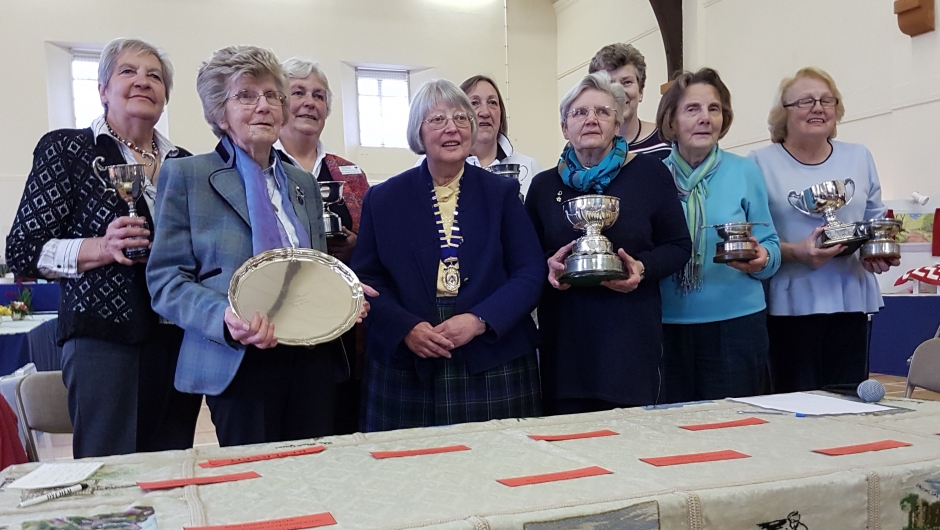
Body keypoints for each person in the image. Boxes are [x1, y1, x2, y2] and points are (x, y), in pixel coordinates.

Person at [147, 45, 370, 446]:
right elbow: (165, 282)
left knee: (317, 476)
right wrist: (226, 317)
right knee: (259, 484)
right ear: (219, 111)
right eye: (246, 95)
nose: (264, 105)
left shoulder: (301, 184)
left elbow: (314, 268)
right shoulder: (188, 176)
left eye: (272, 95)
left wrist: (343, 296)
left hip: (312, 355)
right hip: (239, 356)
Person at [5, 37, 200, 458]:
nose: (143, 82)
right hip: (104, 340)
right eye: (128, 72)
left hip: (179, 340)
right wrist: (101, 246)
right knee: (112, 479)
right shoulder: (67, 149)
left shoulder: (186, 163)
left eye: (155, 76)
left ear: (166, 96)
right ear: (102, 90)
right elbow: (23, 250)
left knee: (173, 467)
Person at [351, 79, 545, 432]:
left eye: (461, 118)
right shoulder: (383, 199)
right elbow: (366, 279)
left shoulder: (501, 193)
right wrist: (405, 327)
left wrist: (480, 319)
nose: (452, 128)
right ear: (418, 133)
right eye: (437, 119)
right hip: (407, 362)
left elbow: (530, 272)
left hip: (492, 356)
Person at [525, 72, 691, 414]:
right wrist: (549, 266)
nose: (591, 120)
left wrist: (642, 269)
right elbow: (526, 259)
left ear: (618, 123)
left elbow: (678, 245)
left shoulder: (650, 173)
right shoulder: (543, 186)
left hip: (630, 339)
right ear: (564, 128)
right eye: (579, 113)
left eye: (602, 111)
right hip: (566, 343)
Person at [748, 67, 897, 393]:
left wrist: (876, 253)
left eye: (826, 100)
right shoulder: (759, 163)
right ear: (782, 114)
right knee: (793, 405)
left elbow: (874, 221)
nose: (818, 107)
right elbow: (755, 239)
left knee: (847, 406)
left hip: (849, 301)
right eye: (804, 101)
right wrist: (796, 252)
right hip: (789, 305)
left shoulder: (859, 156)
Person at [655, 68, 781, 403]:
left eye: (714, 109)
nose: (705, 118)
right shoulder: (652, 176)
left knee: (735, 431)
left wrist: (761, 259)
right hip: (666, 325)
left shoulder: (744, 171)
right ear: (671, 120)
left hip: (736, 325)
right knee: (671, 434)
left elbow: (771, 247)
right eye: (692, 109)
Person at [275, 57, 369, 435]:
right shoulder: (259, 164)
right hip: (279, 321)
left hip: (344, 327)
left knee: (341, 427)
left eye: (318, 95)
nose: (309, 103)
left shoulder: (351, 173)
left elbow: (375, 246)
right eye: (298, 92)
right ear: (279, 101)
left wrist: (355, 249)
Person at [415, 75, 543, 197]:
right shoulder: (432, 165)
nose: (485, 112)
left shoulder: (529, 167)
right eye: (474, 103)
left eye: (492, 102)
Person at [589, 43, 670, 160]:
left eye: (626, 82)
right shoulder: (584, 148)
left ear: (641, 91)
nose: (619, 92)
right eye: (609, 84)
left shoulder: (666, 141)